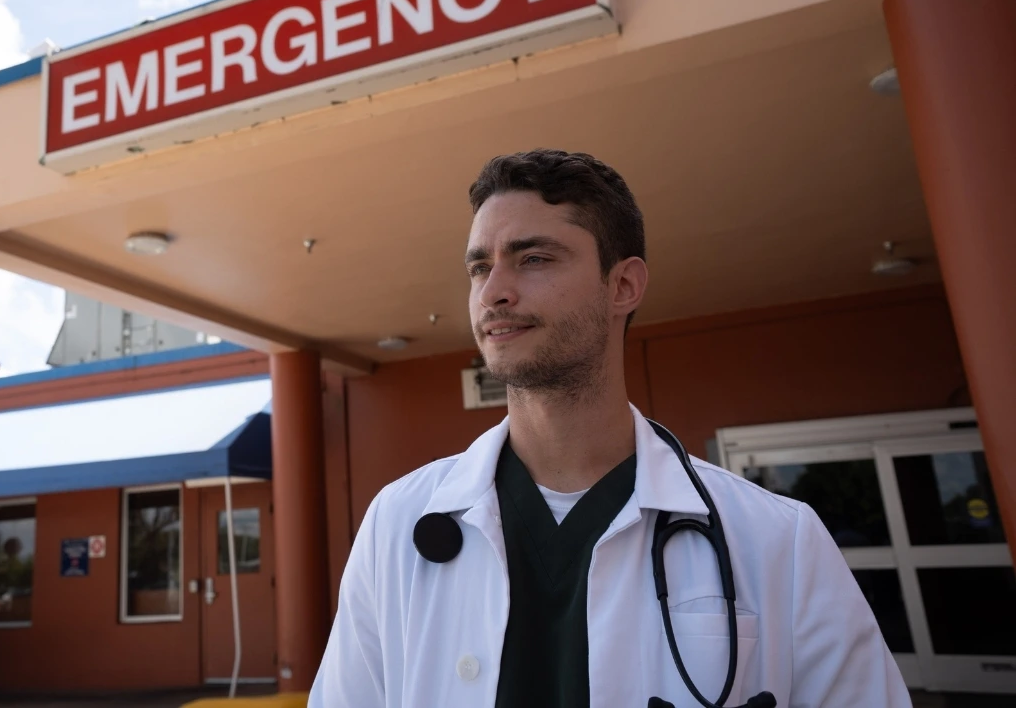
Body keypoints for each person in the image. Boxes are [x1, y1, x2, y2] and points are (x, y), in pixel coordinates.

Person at [309, 150, 910, 707]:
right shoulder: (398, 523)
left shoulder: (779, 541)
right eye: (478, 268)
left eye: (534, 258)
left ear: (623, 285)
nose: (492, 293)